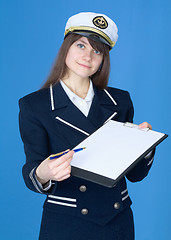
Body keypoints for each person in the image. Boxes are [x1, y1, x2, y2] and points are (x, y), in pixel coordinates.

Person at [19, 12, 155, 240]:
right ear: (66, 48)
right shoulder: (35, 105)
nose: (88, 56)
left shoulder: (120, 101)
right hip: (66, 223)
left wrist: (146, 145)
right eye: (81, 45)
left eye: (97, 50)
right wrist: (44, 173)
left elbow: (136, 175)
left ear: (103, 59)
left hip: (117, 220)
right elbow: (32, 169)